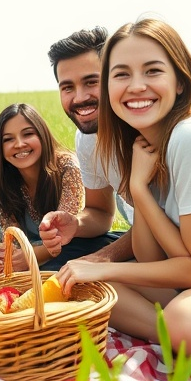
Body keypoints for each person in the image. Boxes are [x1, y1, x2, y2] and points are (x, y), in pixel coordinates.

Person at [45, 18, 191, 369]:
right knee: (81, 288)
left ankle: (189, 332)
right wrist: (139, 189)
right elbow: (151, 256)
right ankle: (189, 336)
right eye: (122, 75)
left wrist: (105, 267)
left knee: (184, 317)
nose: (136, 86)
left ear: (180, 81)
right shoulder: (139, 143)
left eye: (152, 71)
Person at [40, 27, 134, 262]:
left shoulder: (149, 134)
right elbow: (101, 212)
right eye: (67, 87)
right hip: (148, 245)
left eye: (91, 82)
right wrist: (76, 224)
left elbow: (162, 229)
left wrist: (100, 260)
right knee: (60, 262)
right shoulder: (87, 138)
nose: (79, 97)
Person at [0, 103, 88, 271]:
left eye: (27, 134)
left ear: (42, 135)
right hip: (34, 266)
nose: (19, 144)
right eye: (8, 139)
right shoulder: (3, 181)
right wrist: (6, 251)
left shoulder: (67, 167)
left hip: (75, 255)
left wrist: (31, 256)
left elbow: (63, 235)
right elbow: (12, 238)